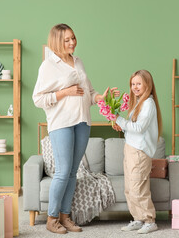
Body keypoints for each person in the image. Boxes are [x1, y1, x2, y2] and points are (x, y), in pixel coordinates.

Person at [32, 23, 119, 234]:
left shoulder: (78, 62)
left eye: (73, 38)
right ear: (56, 42)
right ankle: (52, 219)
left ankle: (65, 216)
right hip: (61, 123)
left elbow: (88, 91)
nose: (72, 42)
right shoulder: (48, 66)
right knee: (62, 172)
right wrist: (65, 92)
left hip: (82, 121)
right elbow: (38, 99)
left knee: (72, 173)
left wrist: (101, 97)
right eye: (67, 39)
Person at [112, 70, 163, 234]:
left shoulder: (148, 103)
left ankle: (149, 220)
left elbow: (139, 128)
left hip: (140, 151)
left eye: (138, 84)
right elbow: (132, 127)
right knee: (130, 187)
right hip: (131, 148)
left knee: (138, 187)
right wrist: (121, 123)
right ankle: (137, 218)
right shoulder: (139, 102)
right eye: (133, 84)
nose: (135, 87)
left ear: (147, 84)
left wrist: (118, 118)